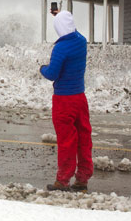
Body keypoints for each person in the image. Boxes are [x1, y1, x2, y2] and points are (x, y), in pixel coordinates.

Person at [39, 10, 93, 193]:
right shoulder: (81, 41)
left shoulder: (61, 48)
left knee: (67, 140)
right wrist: (60, 15)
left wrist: (42, 68)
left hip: (64, 100)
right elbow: (70, 28)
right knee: (83, 138)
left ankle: (63, 181)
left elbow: (52, 73)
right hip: (80, 97)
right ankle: (82, 179)